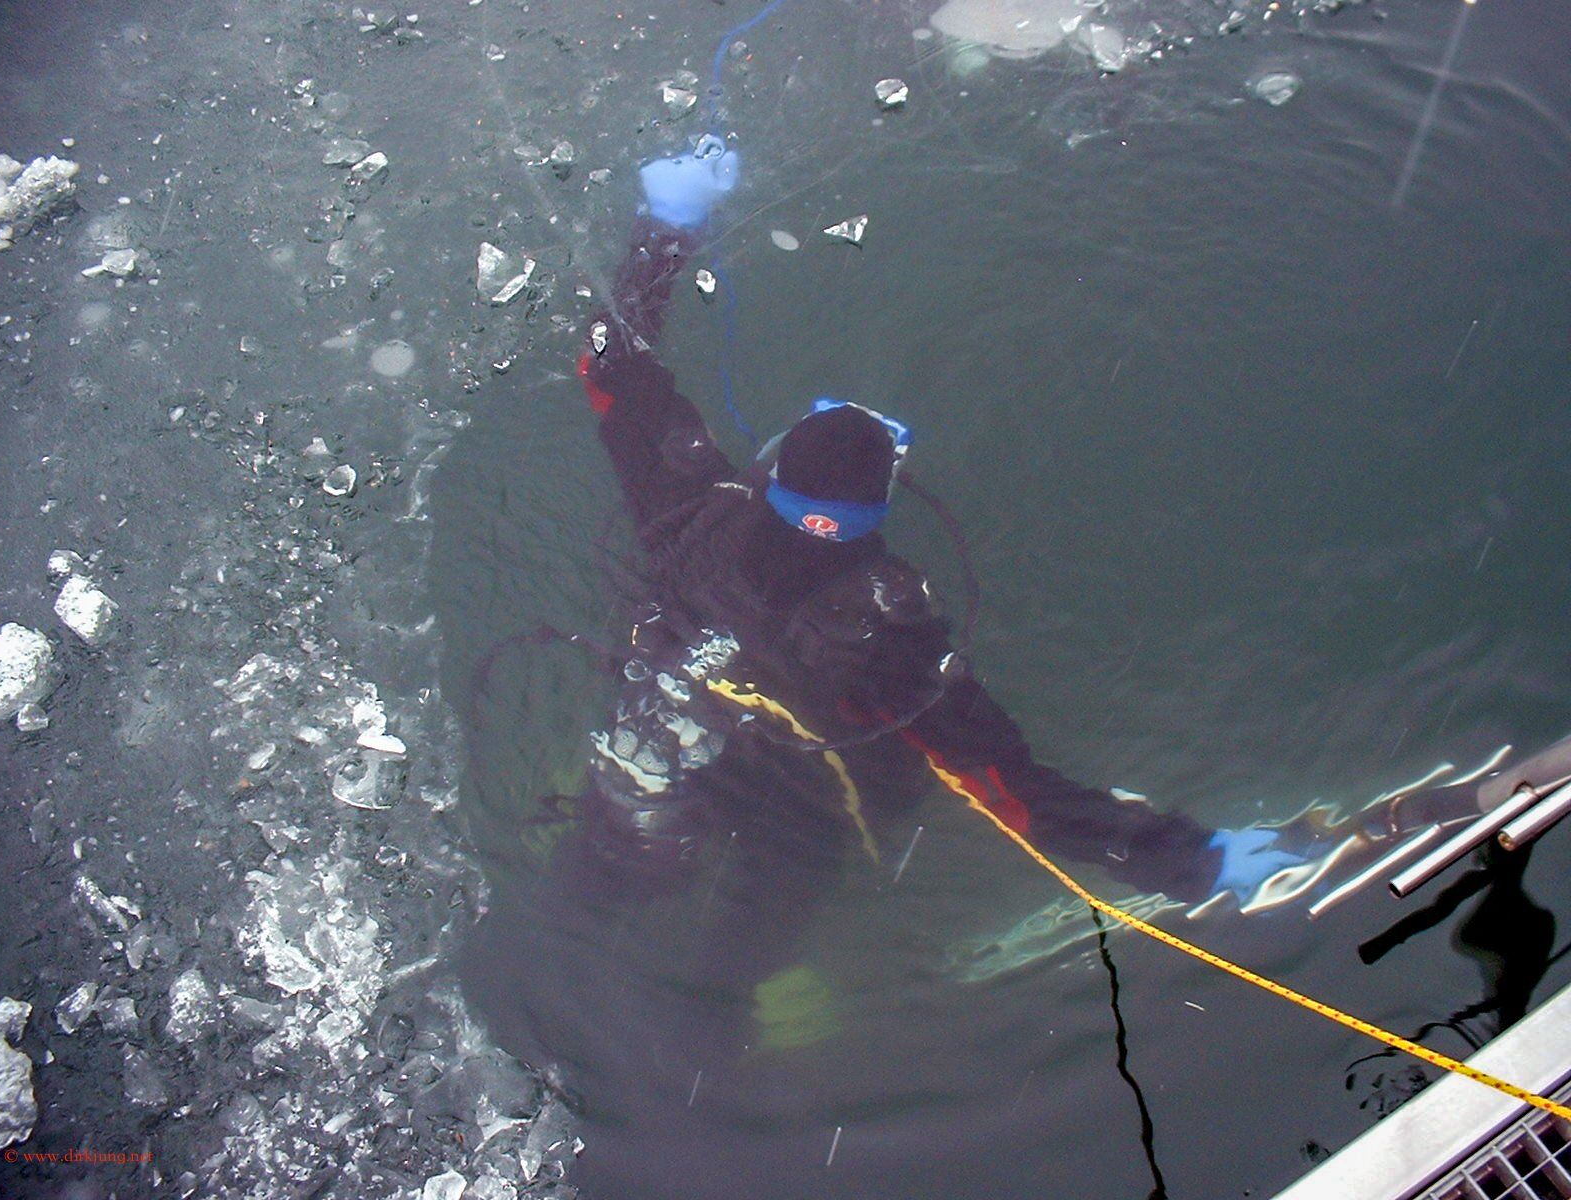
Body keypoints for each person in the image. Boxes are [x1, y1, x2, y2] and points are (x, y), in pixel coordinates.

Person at [547, 131, 1323, 1016]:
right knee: (748, 941)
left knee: (588, 886)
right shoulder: (888, 638)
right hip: (788, 810)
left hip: (654, 767)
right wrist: (1197, 859)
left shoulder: (689, 504)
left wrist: (666, 227)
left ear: (772, 474)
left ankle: (561, 959)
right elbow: (1015, 795)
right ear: (881, 508)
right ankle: (713, 1020)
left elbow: (609, 362)